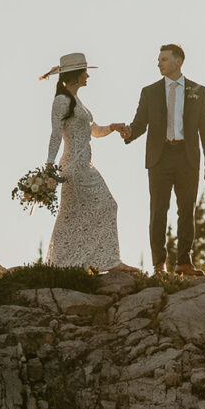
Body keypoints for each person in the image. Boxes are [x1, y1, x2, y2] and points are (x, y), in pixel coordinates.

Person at [122, 44, 205, 276]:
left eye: (164, 59)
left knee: (187, 211)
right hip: (159, 157)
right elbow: (139, 124)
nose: (159, 63)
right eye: (159, 59)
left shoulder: (198, 91)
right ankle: (159, 265)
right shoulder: (150, 92)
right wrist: (129, 133)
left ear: (178, 61)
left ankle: (184, 263)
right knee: (158, 211)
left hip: (187, 157)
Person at [40, 52, 136, 273]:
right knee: (105, 205)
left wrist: (112, 127)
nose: (87, 76)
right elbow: (55, 134)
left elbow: (93, 131)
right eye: (85, 72)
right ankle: (108, 261)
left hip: (84, 164)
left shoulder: (77, 102)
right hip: (74, 166)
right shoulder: (61, 101)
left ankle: (72, 264)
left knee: (74, 214)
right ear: (75, 74)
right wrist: (48, 165)